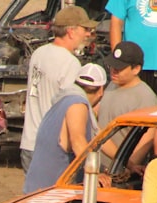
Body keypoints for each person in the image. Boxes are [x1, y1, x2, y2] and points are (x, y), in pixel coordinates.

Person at [19, 5, 98, 173]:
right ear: (71, 31)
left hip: (29, 143)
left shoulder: (39, 53)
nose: (87, 34)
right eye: (85, 29)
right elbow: (71, 108)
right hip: (50, 148)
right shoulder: (70, 63)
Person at [23, 63, 107, 194]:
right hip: (50, 193)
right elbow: (78, 141)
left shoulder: (63, 100)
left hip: (37, 189)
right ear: (101, 90)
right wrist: (95, 173)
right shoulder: (77, 105)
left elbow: (100, 137)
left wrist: (129, 163)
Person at [97, 41, 157, 168]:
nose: (113, 71)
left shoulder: (145, 97)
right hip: (98, 164)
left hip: (117, 170)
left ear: (136, 69)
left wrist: (129, 165)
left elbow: (147, 137)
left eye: (119, 69)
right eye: (112, 67)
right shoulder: (112, 85)